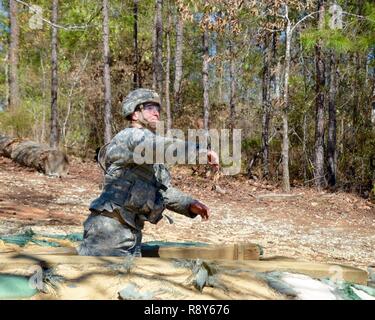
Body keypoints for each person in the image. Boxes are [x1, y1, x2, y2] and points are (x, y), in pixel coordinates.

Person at [77, 88, 219, 256]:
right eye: (150, 107)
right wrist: (200, 151)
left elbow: (161, 191)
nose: (156, 112)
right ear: (135, 114)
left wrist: (189, 205)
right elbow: (161, 146)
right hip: (108, 232)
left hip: (129, 233)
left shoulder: (149, 155)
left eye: (158, 108)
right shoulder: (131, 137)